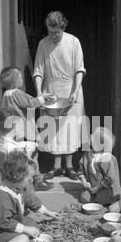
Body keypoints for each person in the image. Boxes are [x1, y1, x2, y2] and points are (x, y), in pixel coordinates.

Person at [33, 11, 86, 180]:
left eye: (57, 32)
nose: (53, 36)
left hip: (71, 89)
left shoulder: (73, 41)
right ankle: (56, 167)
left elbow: (79, 69)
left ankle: (69, 166)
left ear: (63, 28)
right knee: (53, 128)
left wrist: (75, 92)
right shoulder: (43, 44)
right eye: (50, 32)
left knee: (69, 128)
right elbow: (38, 70)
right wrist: (40, 93)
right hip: (51, 91)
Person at [0, 66, 55, 191]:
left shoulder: (6, 94)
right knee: (33, 154)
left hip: (13, 132)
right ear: (15, 82)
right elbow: (30, 103)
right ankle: (36, 180)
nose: (22, 79)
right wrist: (43, 99)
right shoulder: (16, 93)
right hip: (23, 129)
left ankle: (32, 180)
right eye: (21, 77)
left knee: (24, 157)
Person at [77, 127, 120, 209]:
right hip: (92, 186)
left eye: (93, 137)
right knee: (84, 197)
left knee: (102, 198)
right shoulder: (87, 155)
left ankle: (100, 201)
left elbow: (109, 179)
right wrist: (84, 182)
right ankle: (95, 200)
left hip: (105, 188)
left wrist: (97, 189)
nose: (90, 136)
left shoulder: (107, 159)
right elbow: (81, 170)